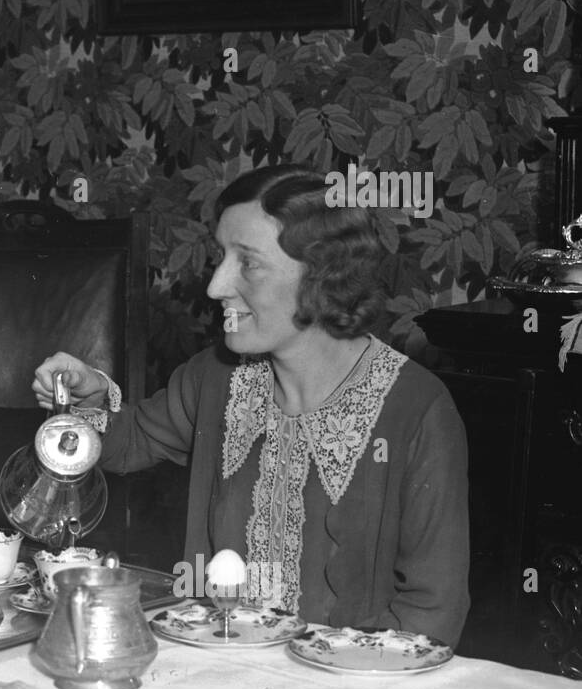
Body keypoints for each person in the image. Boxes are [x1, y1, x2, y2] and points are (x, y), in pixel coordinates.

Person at [32, 166, 470, 646]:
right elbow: (126, 443)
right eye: (222, 256)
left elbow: (432, 612)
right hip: (219, 677)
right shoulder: (215, 376)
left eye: (248, 262)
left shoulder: (417, 408)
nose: (216, 286)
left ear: (323, 276)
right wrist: (91, 394)